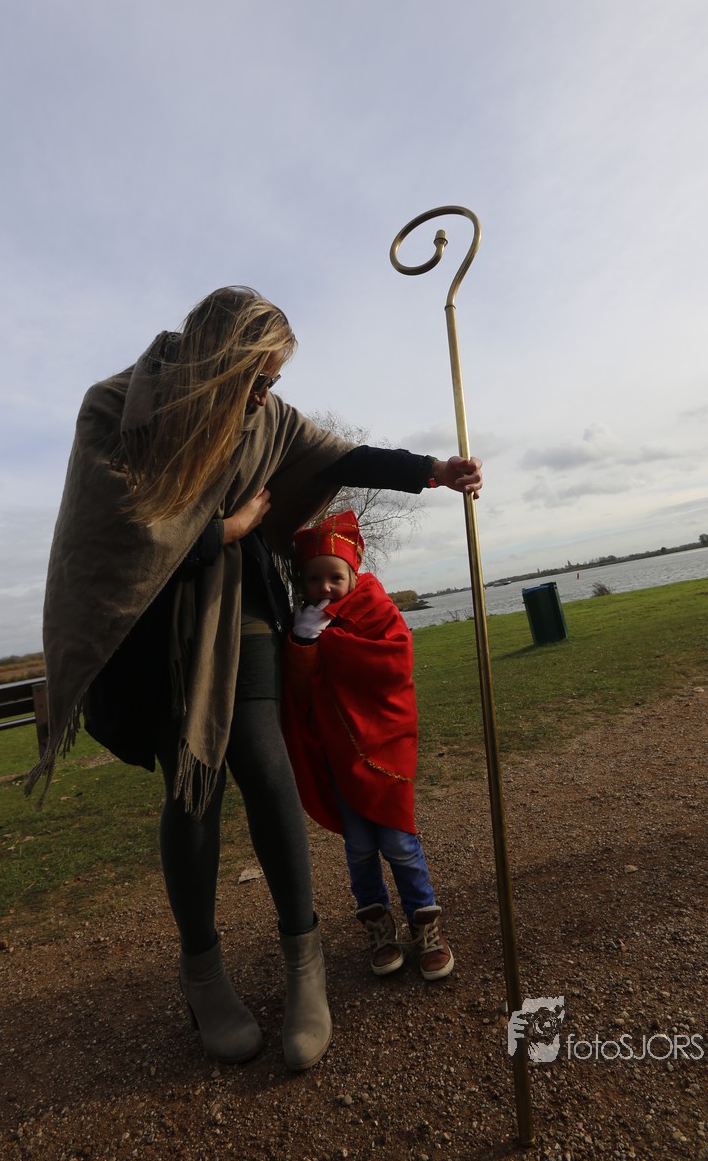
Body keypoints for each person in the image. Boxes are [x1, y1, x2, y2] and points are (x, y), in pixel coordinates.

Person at [26, 286, 481, 1072]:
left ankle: (305, 966)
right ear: (218, 362)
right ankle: (203, 976)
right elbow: (115, 526)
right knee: (192, 786)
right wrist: (222, 528)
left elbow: (340, 456)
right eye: (258, 379)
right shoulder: (115, 407)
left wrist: (433, 470)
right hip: (154, 625)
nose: (267, 395)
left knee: (266, 767)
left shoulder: (268, 420)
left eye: (273, 381)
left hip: (242, 601)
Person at [282, 509, 453, 982]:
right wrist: (303, 643)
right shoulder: (305, 623)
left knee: (399, 842)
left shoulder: (376, 609)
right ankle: (379, 931)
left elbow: (394, 662)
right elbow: (300, 690)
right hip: (339, 754)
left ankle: (426, 926)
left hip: (385, 746)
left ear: (353, 574)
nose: (325, 587)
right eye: (314, 579)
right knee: (359, 848)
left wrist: (332, 645)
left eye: (334, 577)